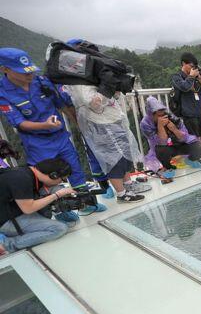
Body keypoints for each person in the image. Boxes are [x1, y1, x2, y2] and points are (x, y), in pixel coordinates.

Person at [0, 47, 106, 221]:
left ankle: (87, 203)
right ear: (5, 69)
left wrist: (78, 124)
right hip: (36, 142)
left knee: (74, 168)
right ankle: (61, 210)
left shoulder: (42, 82)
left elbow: (62, 105)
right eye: (23, 72)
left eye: (30, 71)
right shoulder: (3, 93)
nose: (29, 75)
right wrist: (44, 125)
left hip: (60, 136)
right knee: (46, 178)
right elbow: (19, 122)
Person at [64, 43, 150, 203]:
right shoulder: (79, 79)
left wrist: (114, 88)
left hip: (113, 118)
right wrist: (107, 88)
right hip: (100, 123)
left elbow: (112, 97)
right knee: (113, 159)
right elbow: (92, 103)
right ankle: (122, 193)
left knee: (123, 155)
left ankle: (128, 184)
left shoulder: (94, 74)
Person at [0, 158, 77, 255]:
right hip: (6, 221)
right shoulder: (21, 179)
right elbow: (28, 209)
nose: (61, 182)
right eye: (62, 179)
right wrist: (56, 195)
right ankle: (7, 245)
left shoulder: (27, 172)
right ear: (54, 175)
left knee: (51, 210)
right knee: (60, 228)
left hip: (12, 209)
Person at [140, 96, 201, 177]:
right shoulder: (145, 124)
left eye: (163, 114)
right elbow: (161, 143)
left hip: (179, 143)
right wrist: (160, 126)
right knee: (161, 150)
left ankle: (191, 160)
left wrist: (174, 129)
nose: (162, 117)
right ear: (151, 115)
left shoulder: (171, 117)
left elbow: (185, 137)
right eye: (159, 115)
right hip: (165, 148)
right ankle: (168, 167)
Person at [171, 53, 201, 148]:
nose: (193, 69)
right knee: (193, 137)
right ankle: (196, 158)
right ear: (183, 63)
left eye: (195, 67)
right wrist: (191, 76)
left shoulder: (197, 78)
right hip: (189, 113)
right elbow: (184, 87)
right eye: (191, 66)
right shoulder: (177, 77)